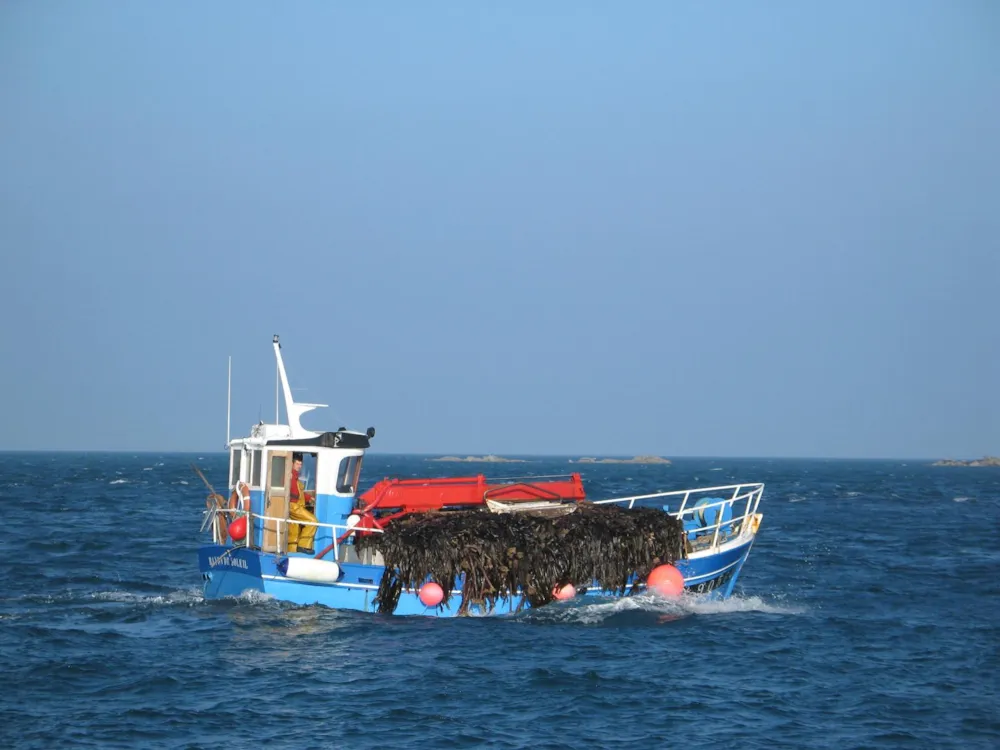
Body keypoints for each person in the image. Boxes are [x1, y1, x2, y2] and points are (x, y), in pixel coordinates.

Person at [287, 452, 318, 554]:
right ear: (292, 463)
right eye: (297, 464)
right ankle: (303, 546)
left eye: (301, 464)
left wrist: (310, 498)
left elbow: (300, 493)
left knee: (294, 532)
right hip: (293, 506)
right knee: (313, 521)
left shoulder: (295, 478)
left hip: (295, 506)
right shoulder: (290, 476)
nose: (299, 466)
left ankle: (292, 552)